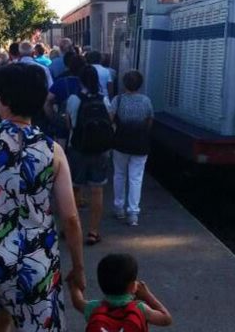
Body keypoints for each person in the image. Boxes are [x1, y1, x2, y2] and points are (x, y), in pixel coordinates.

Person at [0, 63, 85, 332]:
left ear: (4, 101)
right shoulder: (52, 149)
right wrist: (78, 268)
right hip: (39, 257)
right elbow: (70, 217)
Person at [66, 65, 112, 245]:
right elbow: (111, 121)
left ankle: (72, 227)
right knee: (97, 190)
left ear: (81, 80)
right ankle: (93, 231)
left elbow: (69, 124)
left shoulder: (74, 99)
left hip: (78, 148)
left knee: (74, 189)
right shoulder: (104, 100)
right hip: (100, 150)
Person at [68, 253, 172, 330]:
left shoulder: (94, 307)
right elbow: (166, 319)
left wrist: (73, 283)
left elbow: (78, 302)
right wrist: (147, 296)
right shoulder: (140, 308)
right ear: (132, 286)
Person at [110, 70, 153, 226]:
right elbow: (149, 120)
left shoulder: (118, 100)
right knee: (136, 177)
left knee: (119, 174)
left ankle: (118, 208)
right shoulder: (146, 101)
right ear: (140, 85)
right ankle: (133, 213)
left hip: (121, 142)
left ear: (124, 84)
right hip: (140, 143)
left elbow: (111, 119)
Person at [44, 53, 86, 147]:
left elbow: (47, 102)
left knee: (62, 152)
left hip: (63, 126)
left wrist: (53, 118)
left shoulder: (61, 82)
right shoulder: (88, 82)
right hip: (84, 125)